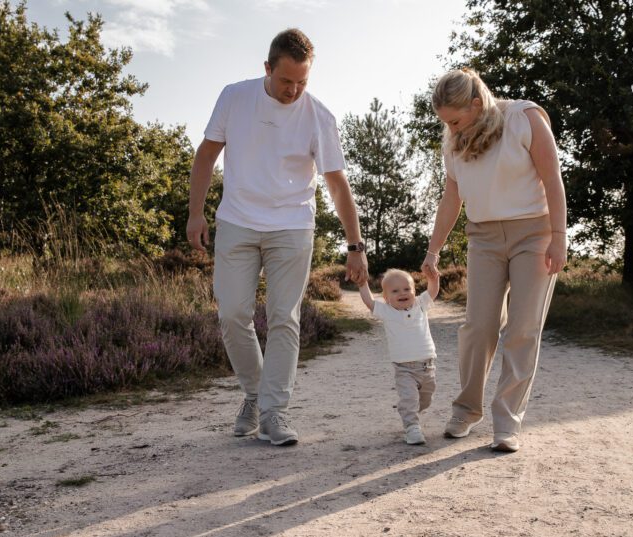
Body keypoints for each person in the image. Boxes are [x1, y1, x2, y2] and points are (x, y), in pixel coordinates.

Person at [186, 28, 368, 446]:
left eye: (303, 82)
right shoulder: (235, 96)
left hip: (292, 225)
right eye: (286, 81)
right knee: (233, 314)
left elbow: (338, 185)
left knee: (285, 317)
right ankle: (255, 394)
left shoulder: (318, 115)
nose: (294, 90)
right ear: (267, 68)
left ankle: (274, 411)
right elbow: (206, 155)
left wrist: (354, 245)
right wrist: (195, 213)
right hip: (237, 220)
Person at [421, 68, 568, 453]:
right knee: (478, 325)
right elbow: (451, 197)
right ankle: (466, 410)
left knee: (522, 328)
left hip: (534, 233)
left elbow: (553, 178)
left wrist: (559, 237)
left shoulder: (524, 117)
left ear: (475, 103)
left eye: (454, 120)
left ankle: (507, 422)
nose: (450, 128)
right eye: (444, 123)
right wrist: (432, 250)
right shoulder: (453, 141)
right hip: (483, 237)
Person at [356, 269, 440, 445]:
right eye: (395, 291)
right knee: (410, 399)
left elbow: (432, 291)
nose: (402, 293)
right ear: (386, 298)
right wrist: (363, 284)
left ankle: (409, 411)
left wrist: (433, 279)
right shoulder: (387, 311)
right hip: (404, 368)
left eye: (406, 289)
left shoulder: (420, 305)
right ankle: (412, 428)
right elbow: (369, 301)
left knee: (426, 399)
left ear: (414, 292)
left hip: (428, 366)